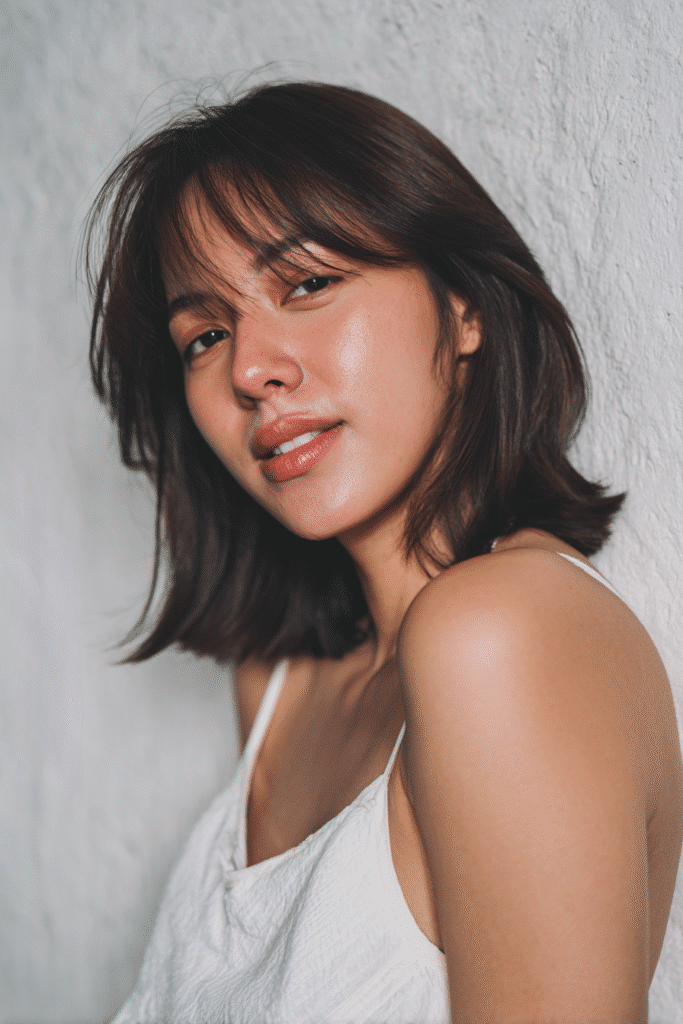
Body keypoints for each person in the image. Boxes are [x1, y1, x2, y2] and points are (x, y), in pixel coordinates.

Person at [85, 80, 682, 1023]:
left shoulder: (498, 633)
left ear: (464, 305)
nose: (249, 370)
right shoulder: (279, 682)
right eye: (204, 334)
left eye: (308, 284)